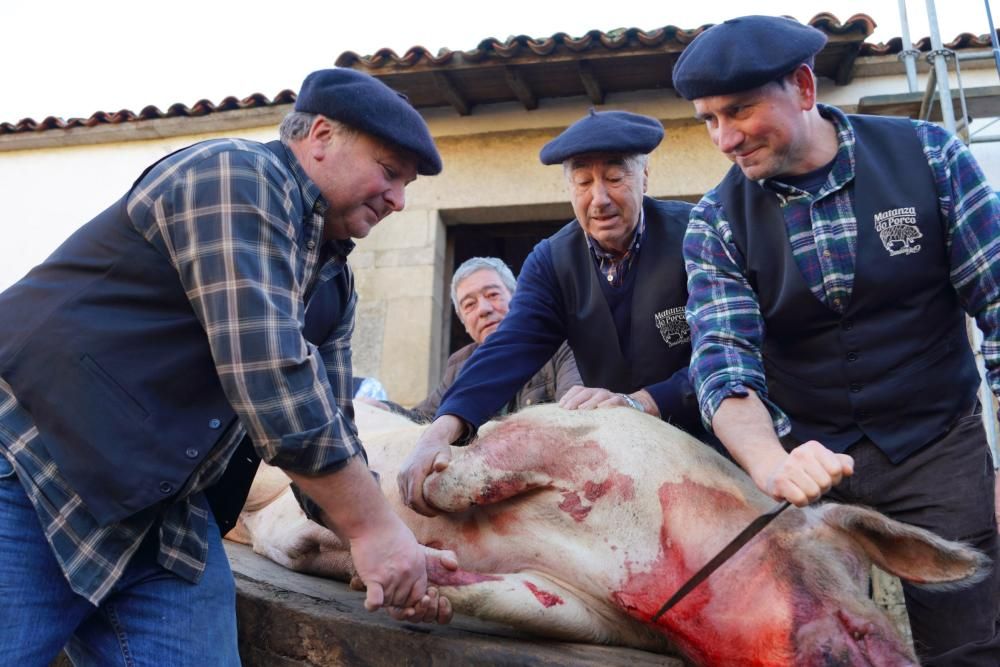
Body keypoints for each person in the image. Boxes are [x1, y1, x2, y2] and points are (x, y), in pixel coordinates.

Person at [0, 68, 456, 666]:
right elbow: (270, 379)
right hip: (32, 469)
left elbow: (331, 433)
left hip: (160, 517)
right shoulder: (235, 176)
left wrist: (393, 552)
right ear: (320, 136)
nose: (399, 199)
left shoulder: (334, 285)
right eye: (390, 172)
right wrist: (375, 534)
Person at [673, 15, 1000, 664]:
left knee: (971, 642)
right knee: (810, 649)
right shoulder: (714, 222)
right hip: (807, 464)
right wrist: (772, 465)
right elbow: (723, 366)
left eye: (738, 110)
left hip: (937, 446)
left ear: (802, 86)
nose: (724, 138)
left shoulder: (931, 158)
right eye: (708, 119)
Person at [398, 109, 703, 516]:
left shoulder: (696, 235)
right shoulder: (551, 261)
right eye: (583, 182)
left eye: (615, 178)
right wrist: (439, 431)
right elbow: (509, 347)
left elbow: (728, 353)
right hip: (621, 463)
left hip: (706, 445)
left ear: (645, 176)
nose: (600, 198)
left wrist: (642, 402)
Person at [364, 256, 582, 422]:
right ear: (465, 323)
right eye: (469, 304)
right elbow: (423, 419)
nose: (483, 310)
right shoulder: (459, 365)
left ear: (518, 299)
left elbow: (574, 409)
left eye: (493, 295)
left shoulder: (557, 344)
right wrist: (383, 409)